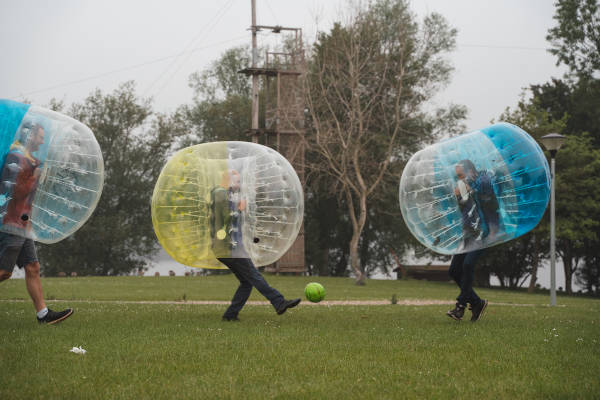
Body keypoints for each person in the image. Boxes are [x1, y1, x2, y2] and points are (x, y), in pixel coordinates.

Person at [0, 123, 73, 324]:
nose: (42, 141)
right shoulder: (15, 158)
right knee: (4, 272)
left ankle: (43, 315)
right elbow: (14, 192)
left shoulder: (29, 160)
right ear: (30, 136)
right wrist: (35, 177)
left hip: (23, 223)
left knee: (32, 266)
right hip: (11, 222)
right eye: (40, 137)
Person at [211, 169, 300, 322]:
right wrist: (239, 209)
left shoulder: (228, 197)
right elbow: (227, 221)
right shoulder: (221, 194)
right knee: (254, 276)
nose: (239, 185)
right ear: (229, 181)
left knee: (247, 282)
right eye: (237, 181)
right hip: (230, 249)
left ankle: (230, 315)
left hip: (229, 249)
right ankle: (278, 302)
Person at [446, 160, 489, 322]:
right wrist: (457, 196)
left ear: (471, 172)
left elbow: (487, 191)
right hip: (467, 234)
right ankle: (477, 303)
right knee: (454, 271)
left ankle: (460, 306)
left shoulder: (483, 181)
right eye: (457, 177)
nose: (459, 180)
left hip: (481, 233)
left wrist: (472, 188)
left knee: (468, 265)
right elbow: (463, 210)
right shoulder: (462, 188)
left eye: (461, 176)